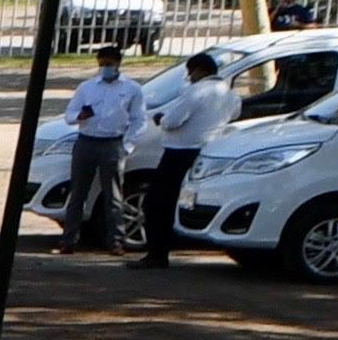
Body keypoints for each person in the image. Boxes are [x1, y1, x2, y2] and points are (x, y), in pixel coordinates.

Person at [134, 46, 229, 270]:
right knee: (182, 201)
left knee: (157, 203)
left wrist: (160, 118)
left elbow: (172, 121)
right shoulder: (228, 92)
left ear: (197, 71)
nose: (190, 77)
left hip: (178, 152)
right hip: (207, 151)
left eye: (190, 72)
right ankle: (163, 249)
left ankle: (157, 252)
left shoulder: (195, 92)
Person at [60, 46, 144, 252]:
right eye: (102, 64)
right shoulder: (87, 87)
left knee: (113, 195)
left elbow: (139, 120)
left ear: (118, 64)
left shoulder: (132, 89)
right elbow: (69, 113)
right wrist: (79, 116)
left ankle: (116, 240)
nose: (105, 68)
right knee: (78, 193)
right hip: (86, 142)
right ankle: (69, 240)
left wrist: (127, 146)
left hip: (112, 143)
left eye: (109, 64)